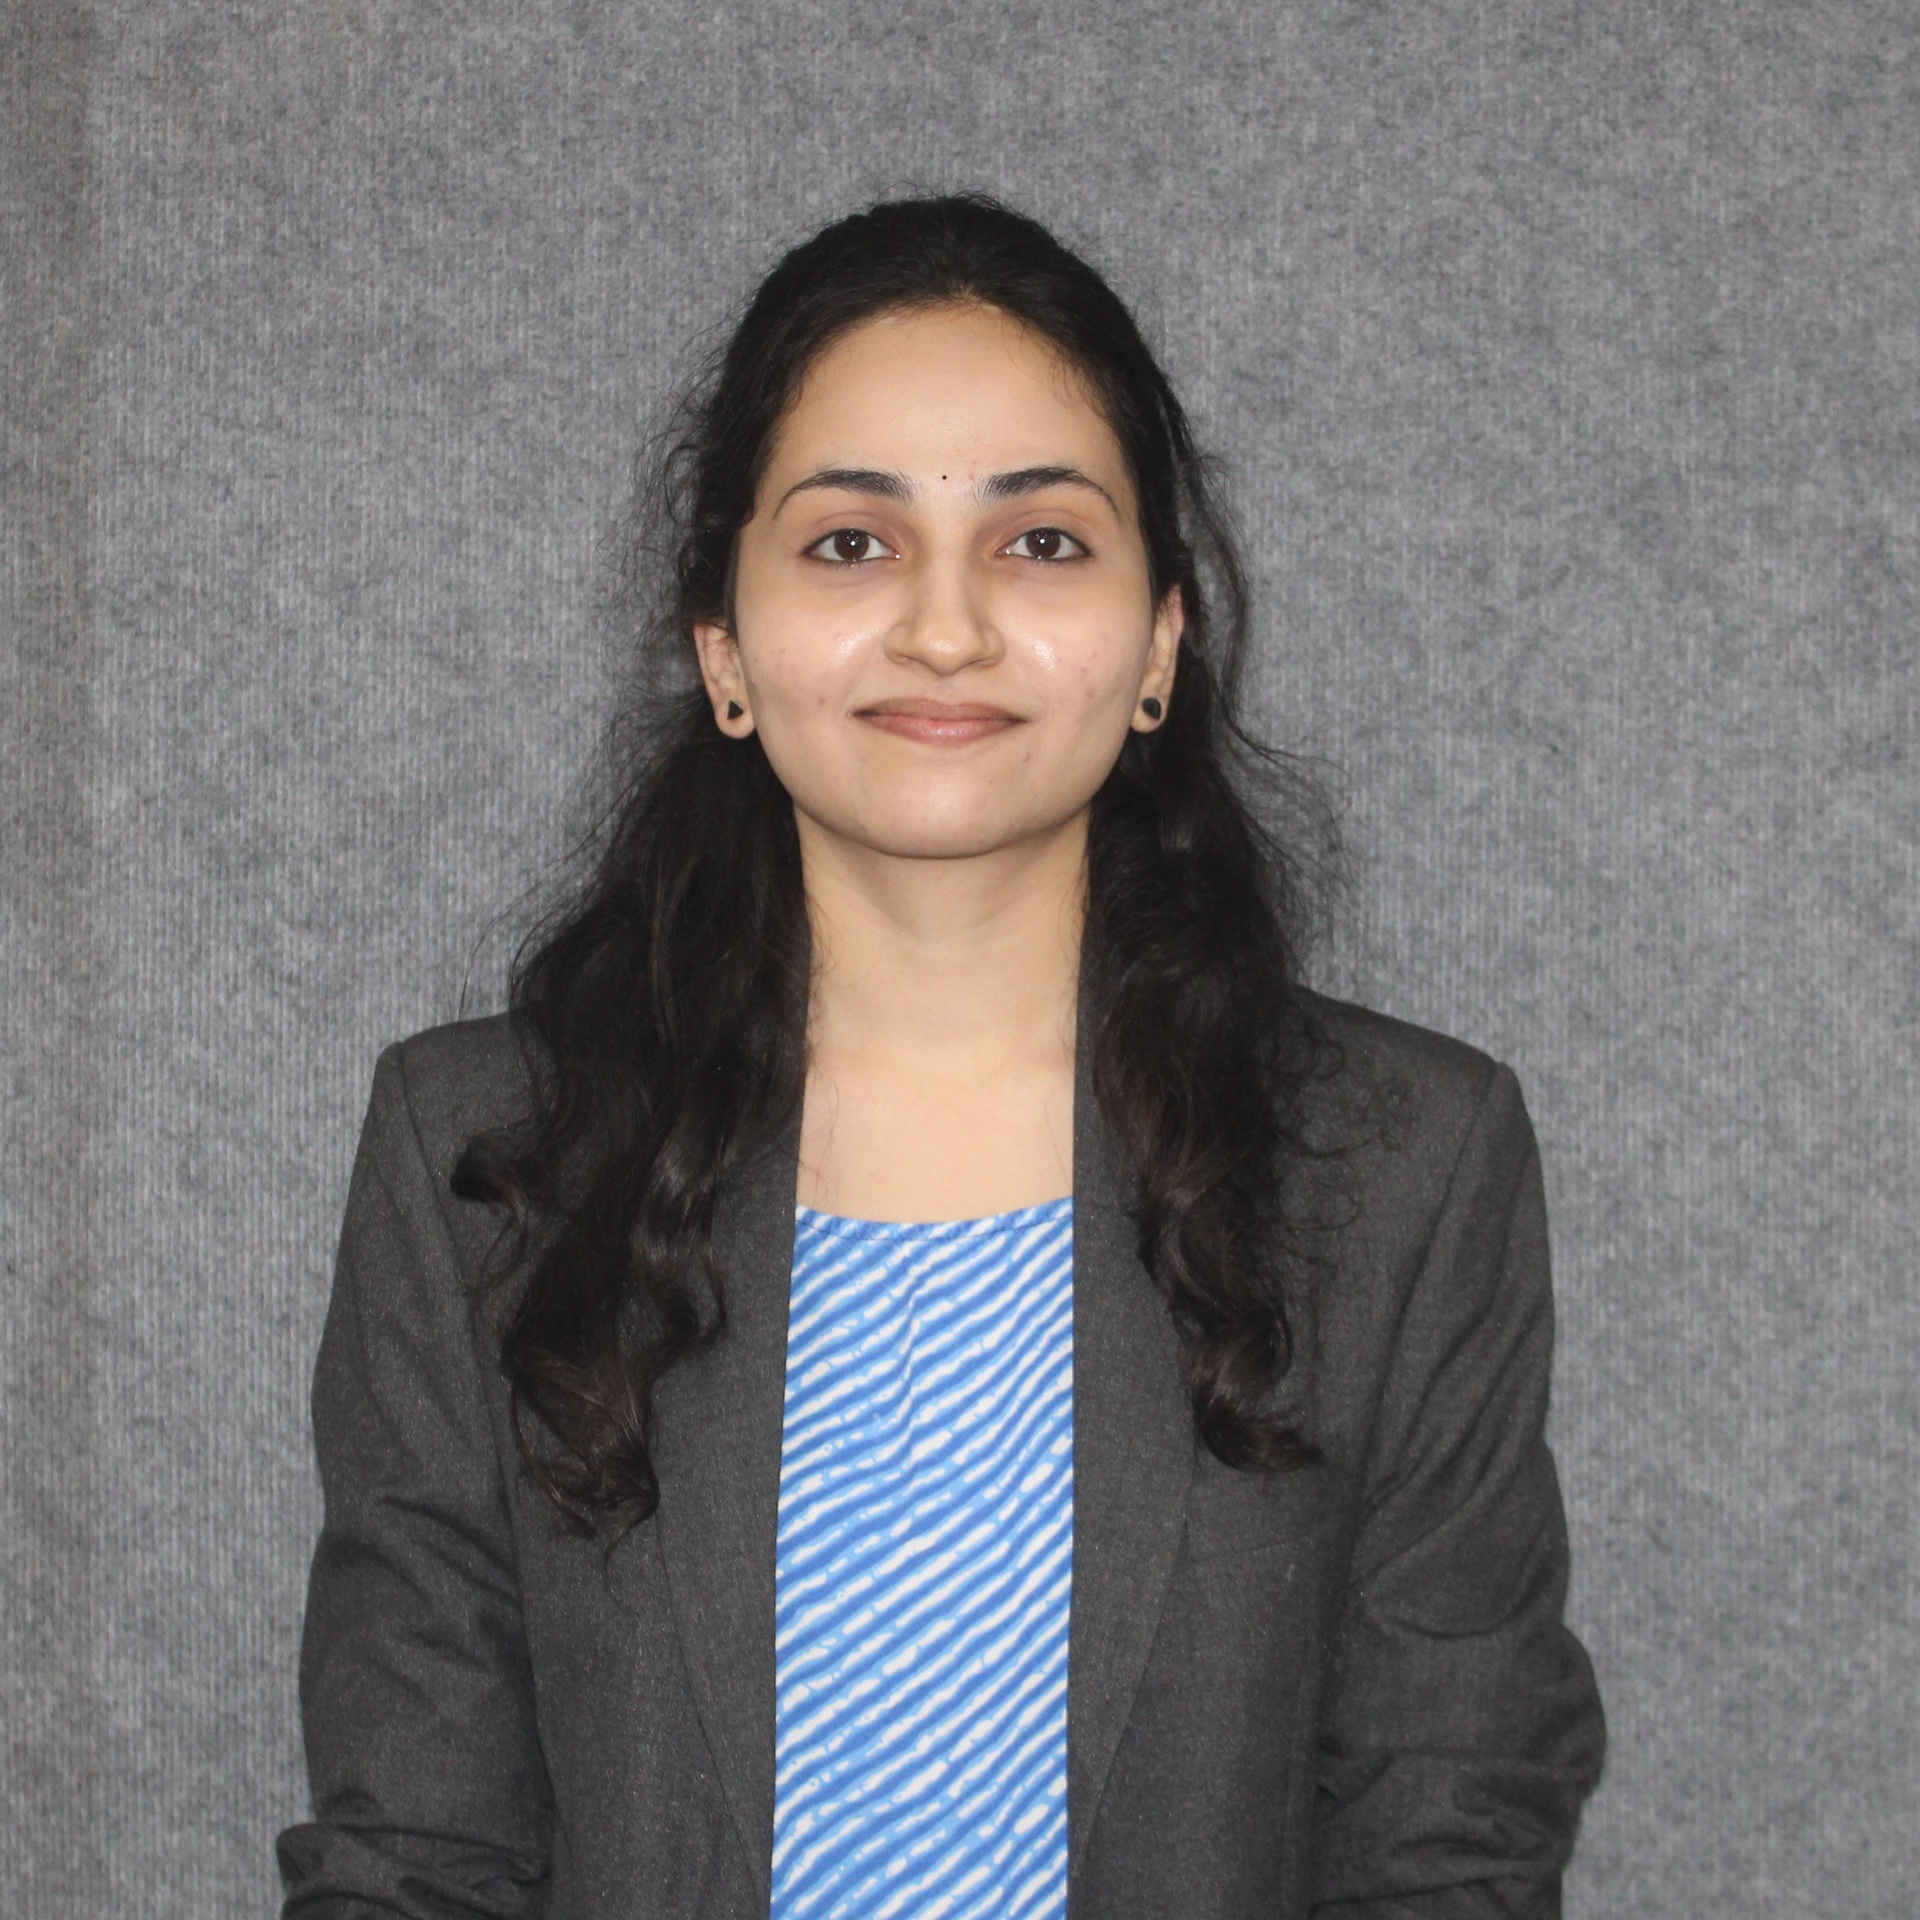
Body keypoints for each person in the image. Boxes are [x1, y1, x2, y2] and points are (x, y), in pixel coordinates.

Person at [277, 194, 1604, 1920]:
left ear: (1160, 640)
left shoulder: (1404, 1163)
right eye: (852, 542)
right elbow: (413, 1859)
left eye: (1042, 540)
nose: (947, 626)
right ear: (723, 645)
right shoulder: (482, 1159)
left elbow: (1449, 1842)